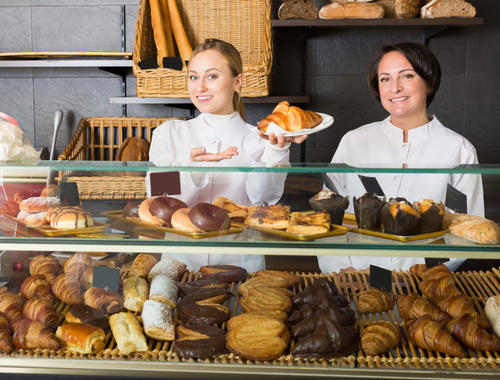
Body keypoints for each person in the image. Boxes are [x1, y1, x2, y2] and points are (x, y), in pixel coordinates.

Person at [319, 42, 484, 273]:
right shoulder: (353, 141)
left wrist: (412, 273)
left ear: (428, 83)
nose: (394, 88)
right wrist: (338, 269)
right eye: (385, 79)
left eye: (407, 76)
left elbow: (468, 233)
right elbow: (327, 213)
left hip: (423, 286)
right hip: (354, 283)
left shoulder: (458, 149)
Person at [148, 38, 307, 272]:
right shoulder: (168, 134)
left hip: (240, 263)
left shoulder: (260, 138)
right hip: (180, 264)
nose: (200, 87)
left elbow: (265, 200)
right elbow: (160, 201)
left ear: (238, 81)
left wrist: (277, 150)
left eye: (211, 76)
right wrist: (193, 169)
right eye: (194, 77)